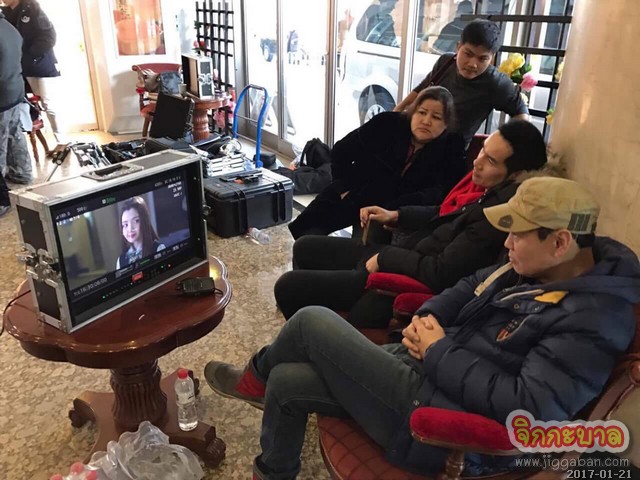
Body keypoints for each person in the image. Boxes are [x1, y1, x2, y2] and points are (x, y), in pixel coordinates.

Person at [204, 177, 639, 479]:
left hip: (442, 422)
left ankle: (252, 378)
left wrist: (437, 350)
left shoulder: (594, 319)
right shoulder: (537, 267)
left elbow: (527, 405)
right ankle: (273, 470)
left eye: (518, 235)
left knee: (310, 321)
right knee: (287, 381)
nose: (507, 244)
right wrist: (425, 320)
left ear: (560, 241)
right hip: (427, 375)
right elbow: (468, 287)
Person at [277, 120, 547, 328]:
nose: (477, 162)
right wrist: (396, 215)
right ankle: (309, 324)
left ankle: (313, 335)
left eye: (490, 160)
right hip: (406, 252)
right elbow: (444, 214)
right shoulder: (489, 190)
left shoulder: (498, 216)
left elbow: (441, 272)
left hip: (402, 274)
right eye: (483, 151)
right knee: (305, 246)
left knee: (288, 285)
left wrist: (386, 257)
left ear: (517, 174)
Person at [288, 86, 466, 239]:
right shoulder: (388, 123)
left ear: (446, 124)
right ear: (413, 112)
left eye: (436, 117)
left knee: (362, 251)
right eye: (422, 112)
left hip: (390, 213)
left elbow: (442, 191)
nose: (426, 121)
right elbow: (341, 150)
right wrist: (344, 188)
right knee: (306, 230)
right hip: (356, 192)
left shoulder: (451, 146)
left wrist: (398, 213)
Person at [394, 19, 529, 146]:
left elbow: (521, 112)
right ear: (458, 47)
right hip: (415, 140)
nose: (472, 64)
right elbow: (422, 89)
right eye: (468, 54)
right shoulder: (446, 62)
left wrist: (503, 145)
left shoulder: (496, 82)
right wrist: (397, 112)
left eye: (482, 59)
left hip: (449, 152)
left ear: (491, 58)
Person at [2, 0, 62, 134]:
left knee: (48, 104)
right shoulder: (5, 14)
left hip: (40, 65)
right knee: (23, 103)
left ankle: (61, 141)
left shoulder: (32, 8)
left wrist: (31, 54)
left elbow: (49, 36)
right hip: (20, 68)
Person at [0, 8, 30, 211]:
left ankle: (1, 202)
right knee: (15, 134)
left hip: (2, 95)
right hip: (15, 90)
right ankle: (22, 173)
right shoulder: (9, 28)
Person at [115, 196, 165, 269]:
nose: (130, 229)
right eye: (125, 225)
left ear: (144, 221)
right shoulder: (120, 261)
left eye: (136, 221)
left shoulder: (158, 249)